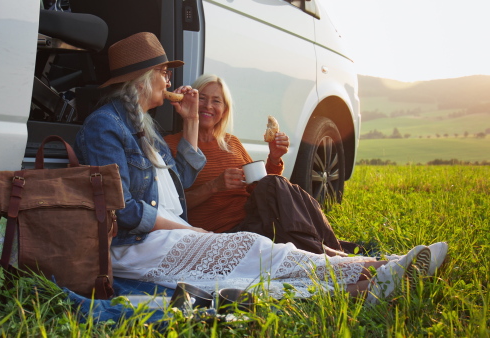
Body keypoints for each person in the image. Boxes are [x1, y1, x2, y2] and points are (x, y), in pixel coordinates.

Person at [74, 32, 446, 302]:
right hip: (139, 244)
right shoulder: (105, 125)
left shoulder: (145, 127)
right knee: (256, 253)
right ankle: (378, 271)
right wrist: (191, 227)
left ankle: (376, 274)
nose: (170, 82)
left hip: (171, 234)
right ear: (143, 79)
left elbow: (176, 183)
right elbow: (120, 208)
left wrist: (188, 120)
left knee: (257, 257)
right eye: (164, 74)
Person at [164, 74, 353, 256]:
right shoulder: (171, 146)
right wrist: (213, 186)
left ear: (225, 110)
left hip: (255, 221)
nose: (207, 106)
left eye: (216, 101)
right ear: (190, 102)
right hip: (223, 233)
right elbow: (170, 206)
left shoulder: (232, 143)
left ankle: (326, 248)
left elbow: (259, 185)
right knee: (278, 199)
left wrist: (274, 158)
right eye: (202, 98)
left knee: (281, 188)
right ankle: (327, 251)